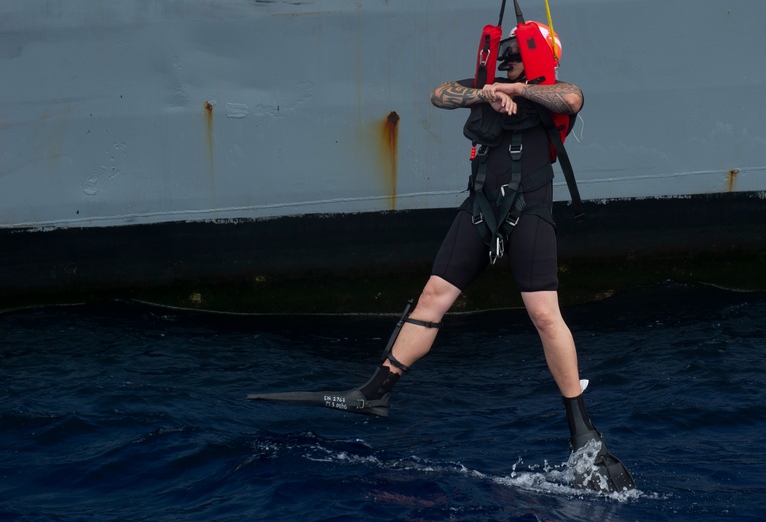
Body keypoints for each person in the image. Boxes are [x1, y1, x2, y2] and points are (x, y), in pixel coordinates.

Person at [250, 25, 635, 492]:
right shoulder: (484, 86)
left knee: (544, 314)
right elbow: (439, 95)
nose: (504, 60)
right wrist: (489, 93)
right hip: (479, 210)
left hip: (528, 212)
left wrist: (516, 90)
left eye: (514, 55)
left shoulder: (554, 93)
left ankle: (582, 432)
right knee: (432, 295)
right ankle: (374, 393)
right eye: (504, 53)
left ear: (537, 59)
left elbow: (572, 98)